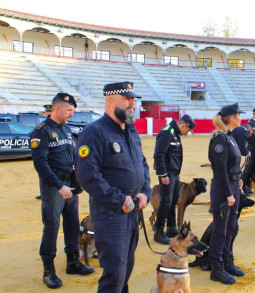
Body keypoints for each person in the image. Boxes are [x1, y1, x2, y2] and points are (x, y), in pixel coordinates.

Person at [75, 81, 150, 293]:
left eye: (133, 99)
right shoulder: (94, 132)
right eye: (127, 99)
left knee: (125, 270)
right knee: (114, 275)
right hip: (111, 214)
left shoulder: (131, 131)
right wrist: (120, 199)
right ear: (110, 100)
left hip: (132, 212)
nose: (132, 103)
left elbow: (142, 165)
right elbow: (87, 176)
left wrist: (145, 191)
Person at [31, 93, 94, 289]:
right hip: (54, 187)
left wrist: (77, 180)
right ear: (57, 109)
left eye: (72, 111)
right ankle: (48, 270)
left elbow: (71, 157)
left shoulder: (65, 129)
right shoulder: (41, 131)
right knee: (51, 227)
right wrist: (59, 186)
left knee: (72, 225)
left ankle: (73, 261)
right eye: (69, 110)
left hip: (69, 185)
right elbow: (40, 164)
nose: (71, 114)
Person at [208, 103, 245, 285]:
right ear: (231, 118)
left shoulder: (230, 137)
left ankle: (227, 261)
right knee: (220, 231)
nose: (241, 118)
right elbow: (220, 168)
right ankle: (216, 266)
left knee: (231, 228)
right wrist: (229, 193)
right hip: (223, 189)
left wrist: (238, 184)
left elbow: (234, 165)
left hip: (232, 186)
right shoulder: (220, 139)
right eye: (239, 115)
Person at [153, 115, 196, 244]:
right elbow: (159, 155)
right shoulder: (167, 133)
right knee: (165, 201)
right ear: (183, 126)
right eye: (187, 130)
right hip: (168, 173)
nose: (187, 133)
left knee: (172, 201)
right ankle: (159, 232)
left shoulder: (174, 133)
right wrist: (163, 174)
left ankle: (171, 227)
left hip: (174, 173)